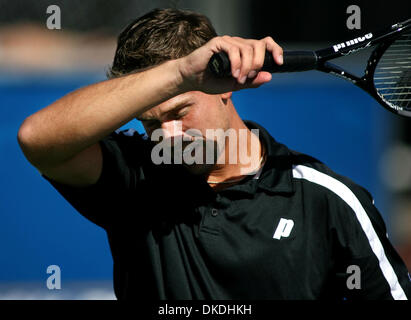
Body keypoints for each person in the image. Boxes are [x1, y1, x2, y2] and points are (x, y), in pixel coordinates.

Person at [17, 8, 410, 300]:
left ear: (225, 87)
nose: (169, 136)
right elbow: (37, 138)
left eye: (179, 111)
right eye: (151, 124)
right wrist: (180, 74)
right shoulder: (135, 178)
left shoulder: (329, 200)